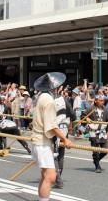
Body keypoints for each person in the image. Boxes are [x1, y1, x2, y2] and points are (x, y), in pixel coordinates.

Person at [31, 72, 72, 201]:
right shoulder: (48, 100)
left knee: (45, 176)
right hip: (42, 141)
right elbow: (51, 126)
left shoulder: (42, 97)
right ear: (55, 87)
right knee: (50, 177)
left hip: (39, 140)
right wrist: (65, 139)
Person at [84, 94, 108, 173]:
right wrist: (87, 118)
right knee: (95, 150)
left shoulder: (105, 109)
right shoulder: (90, 108)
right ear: (95, 101)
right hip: (94, 132)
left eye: (103, 100)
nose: (102, 102)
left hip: (102, 132)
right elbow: (83, 114)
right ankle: (97, 165)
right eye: (100, 100)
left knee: (105, 150)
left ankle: (96, 160)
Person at [53, 91, 75, 188]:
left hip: (54, 129)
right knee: (61, 155)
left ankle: (58, 180)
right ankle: (58, 178)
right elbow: (73, 115)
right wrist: (70, 126)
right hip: (64, 129)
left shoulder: (50, 101)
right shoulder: (65, 101)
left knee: (53, 155)